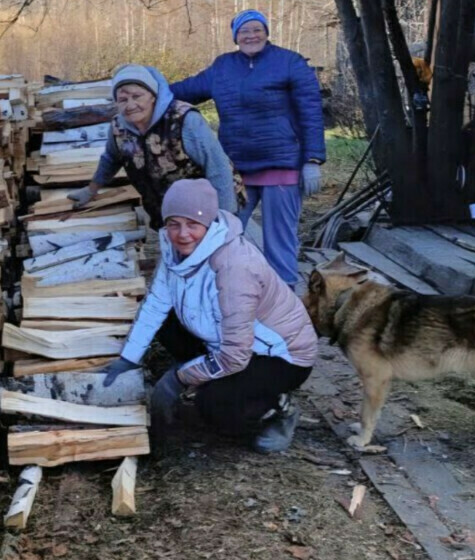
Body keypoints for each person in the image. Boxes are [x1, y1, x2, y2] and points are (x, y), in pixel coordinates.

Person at [102, 178, 318, 453]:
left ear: (210, 223)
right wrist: (127, 358)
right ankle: (209, 375)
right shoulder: (173, 250)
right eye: (174, 224)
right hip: (226, 338)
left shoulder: (235, 268)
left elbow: (235, 355)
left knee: (216, 407)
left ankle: (277, 409)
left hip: (279, 356)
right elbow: (156, 302)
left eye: (193, 224)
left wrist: (177, 379)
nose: (182, 234)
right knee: (165, 322)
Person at [170, 10, 326, 288]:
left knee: (279, 239)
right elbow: (186, 89)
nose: (251, 35)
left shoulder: (290, 62)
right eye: (244, 31)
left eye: (257, 29)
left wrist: (312, 159)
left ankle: (284, 296)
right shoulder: (223, 67)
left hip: (281, 164)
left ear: (266, 32)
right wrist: (147, 88)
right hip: (237, 167)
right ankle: (222, 290)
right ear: (235, 36)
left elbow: (311, 111)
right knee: (223, 232)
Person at [67, 64, 242, 230]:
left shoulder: (183, 120)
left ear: (153, 95)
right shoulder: (119, 128)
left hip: (207, 210)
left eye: (137, 96)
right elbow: (111, 159)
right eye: (123, 99)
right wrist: (91, 190)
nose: (130, 105)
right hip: (167, 214)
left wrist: (225, 219)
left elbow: (218, 168)